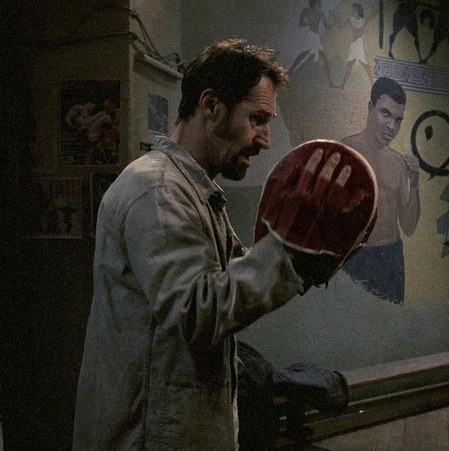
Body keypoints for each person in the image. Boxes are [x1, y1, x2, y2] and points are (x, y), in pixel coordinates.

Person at [73, 38, 353, 449]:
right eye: (257, 119)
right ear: (210, 105)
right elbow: (198, 312)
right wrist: (288, 253)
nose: (265, 139)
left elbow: (226, 279)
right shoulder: (158, 190)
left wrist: (312, 258)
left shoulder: (191, 190)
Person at [341, 77, 420, 305]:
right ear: (370, 108)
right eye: (385, 114)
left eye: (398, 120)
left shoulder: (397, 162)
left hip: (391, 256)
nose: (391, 126)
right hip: (355, 255)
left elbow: (409, 226)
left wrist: (415, 183)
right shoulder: (346, 152)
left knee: (393, 322)